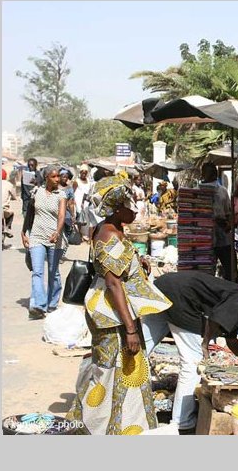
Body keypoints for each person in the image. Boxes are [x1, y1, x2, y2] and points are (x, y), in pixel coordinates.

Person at [68, 174, 173, 435]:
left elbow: (117, 268)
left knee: (121, 372)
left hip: (112, 311)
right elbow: (114, 284)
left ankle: (121, 426)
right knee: (109, 373)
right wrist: (130, 329)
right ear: (116, 209)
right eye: (129, 205)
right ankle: (95, 427)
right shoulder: (109, 236)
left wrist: (139, 261)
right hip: (113, 316)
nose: (134, 210)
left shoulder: (108, 229)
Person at [141, 271, 238, 434]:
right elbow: (215, 319)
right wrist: (205, 344)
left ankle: (118, 393)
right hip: (179, 296)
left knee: (139, 349)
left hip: (162, 285)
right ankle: (183, 422)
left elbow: (231, 340)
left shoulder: (237, 304)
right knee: (193, 362)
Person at [21, 165, 67, 320]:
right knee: (37, 271)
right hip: (37, 236)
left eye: (58, 176)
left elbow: (61, 216)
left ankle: (52, 303)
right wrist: (23, 231)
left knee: (53, 273)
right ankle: (39, 305)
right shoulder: (36, 192)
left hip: (54, 237)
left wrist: (58, 232)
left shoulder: (61, 194)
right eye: (53, 176)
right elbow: (30, 213)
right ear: (46, 177)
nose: (57, 179)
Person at [198, 162, 233, 280]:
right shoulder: (197, 191)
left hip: (221, 236)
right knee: (207, 271)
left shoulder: (222, 191)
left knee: (228, 269)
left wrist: (226, 224)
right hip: (204, 238)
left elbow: (229, 213)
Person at [73, 164, 93, 241]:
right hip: (78, 202)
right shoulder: (76, 181)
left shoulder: (88, 181)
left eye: (85, 173)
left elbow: (89, 191)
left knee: (86, 219)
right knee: (80, 218)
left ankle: (85, 234)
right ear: (80, 172)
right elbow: (73, 192)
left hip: (86, 202)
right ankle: (80, 235)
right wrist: (75, 201)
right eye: (82, 172)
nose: (84, 174)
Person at [58, 168, 76, 240]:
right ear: (60, 177)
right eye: (63, 177)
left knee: (67, 227)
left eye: (66, 177)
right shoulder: (55, 187)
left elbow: (70, 203)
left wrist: (72, 215)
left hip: (66, 212)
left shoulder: (69, 188)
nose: (65, 179)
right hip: (56, 211)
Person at [2, 168, 17, 240]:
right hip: (4, 209)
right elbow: (14, 196)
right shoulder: (9, 184)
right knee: (11, 213)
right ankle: (7, 228)